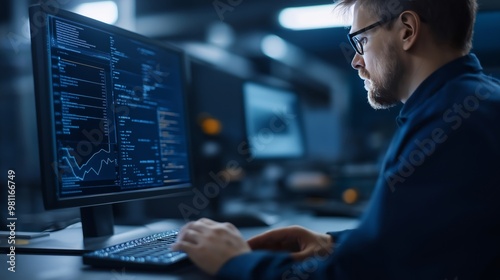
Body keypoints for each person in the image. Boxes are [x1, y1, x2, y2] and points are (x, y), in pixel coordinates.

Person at [172, 0, 500, 278]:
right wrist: (333, 243)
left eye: (361, 40)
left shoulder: (451, 121)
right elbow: (422, 239)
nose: (357, 60)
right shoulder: (468, 103)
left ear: (407, 31)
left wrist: (236, 263)